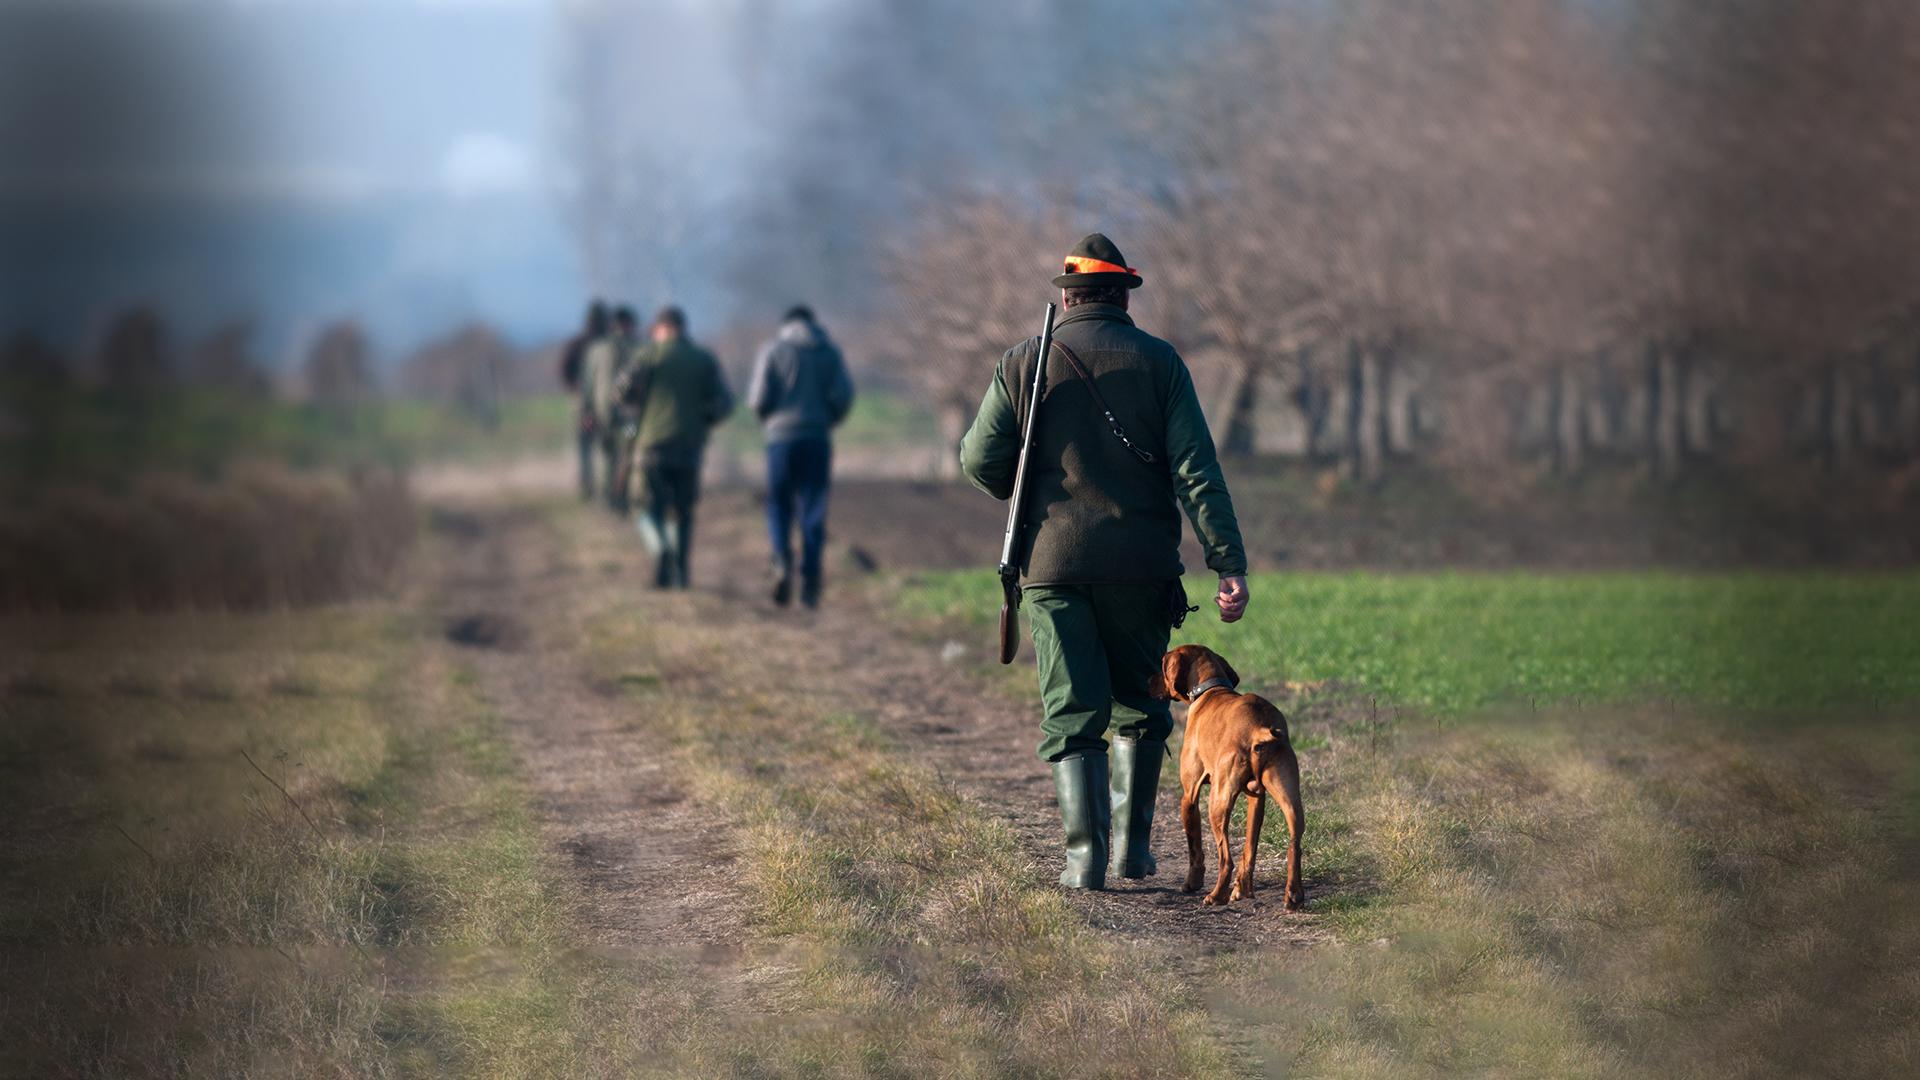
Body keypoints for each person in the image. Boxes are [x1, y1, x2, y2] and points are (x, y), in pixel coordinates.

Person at [959, 233, 1249, 891]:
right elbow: (1196, 470)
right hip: (1143, 568)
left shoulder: (1023, 362)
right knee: (1141, 708)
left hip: (1052, 567)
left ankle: (1084, 861)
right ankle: (1134, 854)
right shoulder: (1161, 362)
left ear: (1067, 297)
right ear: (1122, 295)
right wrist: (1227, 559)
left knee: (1071, 711)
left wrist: (1023, 485)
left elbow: (979, 460)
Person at [747, 305, 855, 609]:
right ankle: (810, 581)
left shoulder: (772, 350)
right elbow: (845, 396)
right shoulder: (828, 352)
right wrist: (826, 418)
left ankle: (781, 558)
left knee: (779, 503)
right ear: (812, 323)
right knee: (812, 509)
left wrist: (772, 420)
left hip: (780, 440)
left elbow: (757, 399)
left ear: (786, 324)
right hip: (817, 439)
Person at [618, 306, 733, 589]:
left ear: (661, 330)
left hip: (650, 447)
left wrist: (633, 416)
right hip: (689, 448)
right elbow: (725, 404)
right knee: (682, 511)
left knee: (646, 506)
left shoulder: (647, 356)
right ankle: (681, 572)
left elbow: (619, 393)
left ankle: (660, 549)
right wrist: (703, 420)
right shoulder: (704, 359)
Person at [580, 305, 639, 509]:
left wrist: (586, 412)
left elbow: (587, 385)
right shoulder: (637, 348)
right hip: (630, 415)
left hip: (602, 414)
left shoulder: (597, 350)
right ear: (629, 324)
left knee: (607, 455)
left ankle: (610, 497)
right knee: (627, 452)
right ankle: (620, 497)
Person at [561, 300, 610, 500]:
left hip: (582, 403)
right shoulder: (607, 343)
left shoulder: (578, 343)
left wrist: (574, 390)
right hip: (605, 403)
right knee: (604, 446)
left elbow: (564, 370)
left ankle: (588, 487)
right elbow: (565, 370)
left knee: (586, 447)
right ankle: (602, 488)